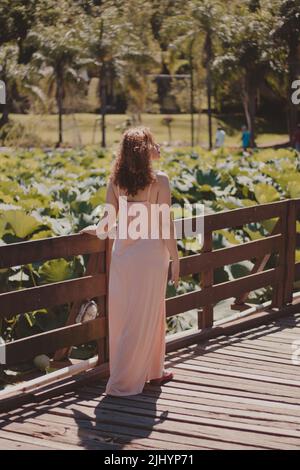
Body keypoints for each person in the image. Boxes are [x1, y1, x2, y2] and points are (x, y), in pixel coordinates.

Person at [80, 126, 179, 396]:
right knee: (148, 312)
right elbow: (165, 225)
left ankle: (154, 371)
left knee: (128, 316)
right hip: (151, 256)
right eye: (153, 144)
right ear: (145, 151)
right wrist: (176, 258)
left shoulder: (115, 181)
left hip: (123, 256)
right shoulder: (161, 180)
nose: (158, 147)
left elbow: (107, 223)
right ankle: (123, 382)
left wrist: (94, 230)